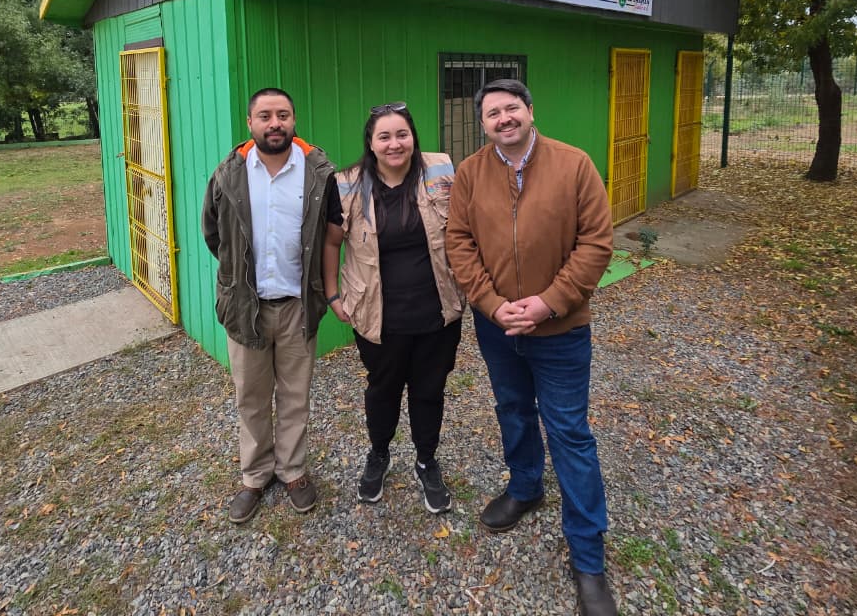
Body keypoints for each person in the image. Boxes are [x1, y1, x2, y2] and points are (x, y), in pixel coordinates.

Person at [445, 79, 618, 616]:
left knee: (568, 431)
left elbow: (596, 241)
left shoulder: (574, 165)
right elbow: (459, 241)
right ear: (483, 123)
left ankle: (588, 559)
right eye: (492, 112)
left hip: (560, 328)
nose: (503, 118)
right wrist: (493, 304)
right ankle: (526, 487)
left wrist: (549, 302)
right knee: (514, 411)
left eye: (511, 108)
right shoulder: (471, 173)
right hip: (496, 326)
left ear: (529, 110)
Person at [202, 87, 343, 524]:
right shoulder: (230, 173)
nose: (275, 123)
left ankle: (293, 470)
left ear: (294, 118)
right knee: (251, 397)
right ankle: (255, 476)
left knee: (296, 396)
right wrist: (236, 282)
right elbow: (213, 233)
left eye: (283, 114)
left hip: (299, 305)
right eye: (265, 116)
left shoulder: (318, 171)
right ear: (251, 123)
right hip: (247, 306)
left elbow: (333, 233)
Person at [324, 102, 465, 514]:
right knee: (382, 389)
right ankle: (379, 454)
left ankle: (426, 460)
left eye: (401, 134)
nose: (394, 143)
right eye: (384, 136)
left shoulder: (440, 169)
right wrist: (333, 296)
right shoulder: (347, 183)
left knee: (429, 390)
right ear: (370, 143)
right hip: (376, 316)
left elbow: (465, 228)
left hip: (437, 312)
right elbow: (332, 243)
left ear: (413, 136)